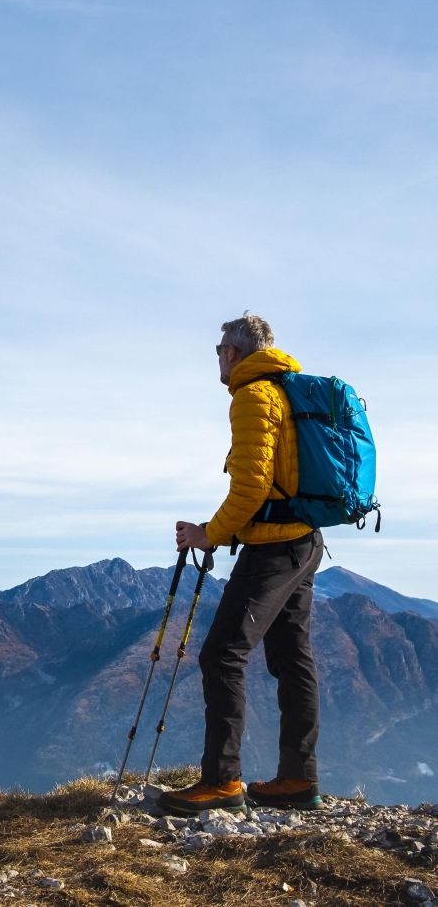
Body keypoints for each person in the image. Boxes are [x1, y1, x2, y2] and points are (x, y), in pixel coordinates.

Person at [159, 314, 325, 815]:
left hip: (274, 547)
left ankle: (221, 782)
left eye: (217, 349)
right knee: (292, 657)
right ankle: (298, 779)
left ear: (233, 353)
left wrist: (209, 533)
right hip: (303, 540)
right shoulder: (285, 390)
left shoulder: (253, 396)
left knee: (222, 654)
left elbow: (251, 486)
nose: (216, 357)